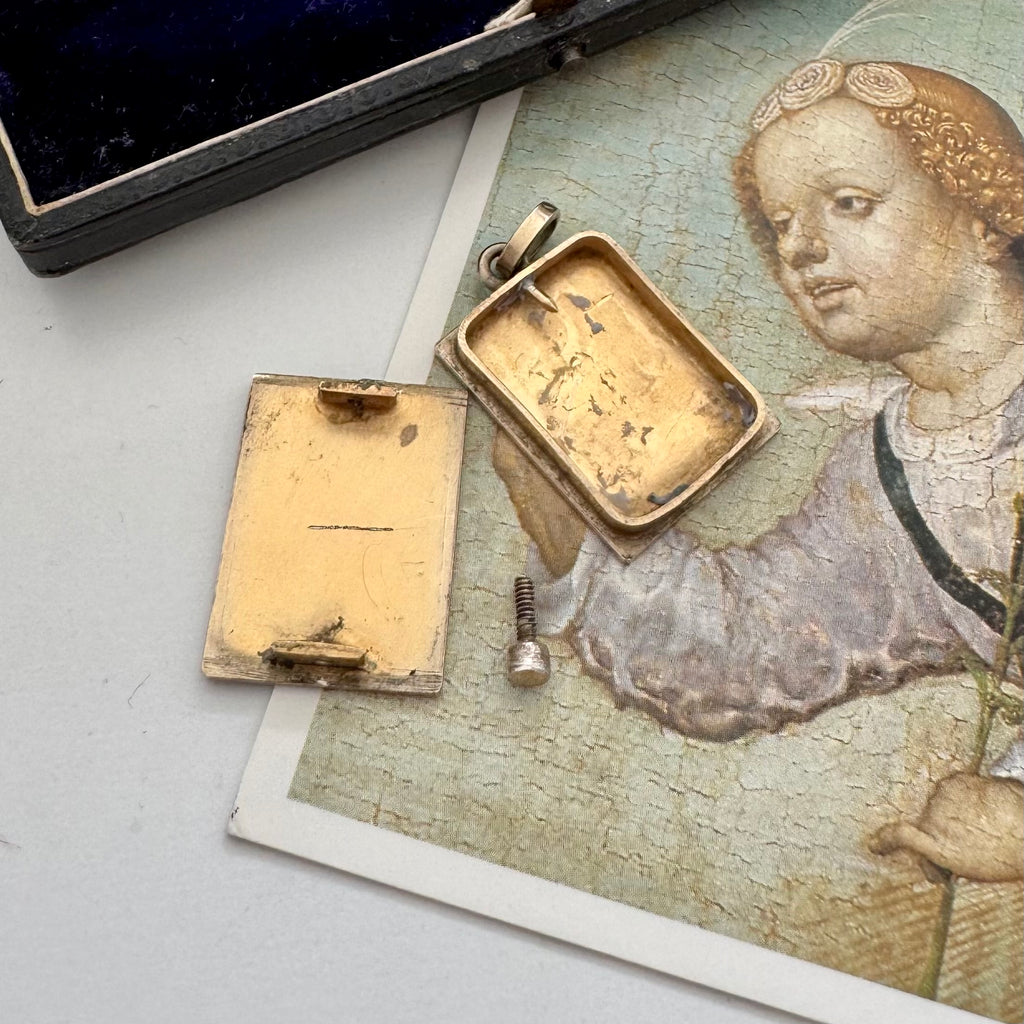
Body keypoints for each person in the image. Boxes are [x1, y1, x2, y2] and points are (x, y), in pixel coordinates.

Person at [495, 60, 1023, 745]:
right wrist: (569, 529)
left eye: (850, 202)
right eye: (780, 224)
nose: (798, 248)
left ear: (983, 213)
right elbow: (755, 641)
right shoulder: (884, 469)